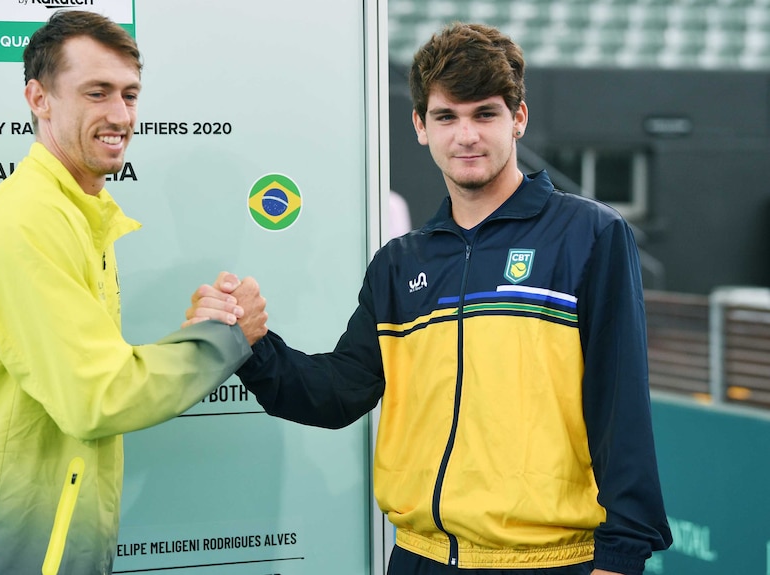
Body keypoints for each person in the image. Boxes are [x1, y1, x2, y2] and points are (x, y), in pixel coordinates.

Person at [197, 22, 672, 575]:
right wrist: (255, 344)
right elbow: (335, 395)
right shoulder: (400, 264)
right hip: (419, 559)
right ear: (421, 126)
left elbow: (622, 411)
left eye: (484, 114)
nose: (465, 136)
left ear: (518, 118)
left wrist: (621, 558)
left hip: (550, 561)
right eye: (447, 117)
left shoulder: (588, 233)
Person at [0, 10, 266, 575]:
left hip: (25, 532)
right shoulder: (28, 220)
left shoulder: (72, 213)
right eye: (96, 92)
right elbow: (97, 395)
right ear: (38, 97)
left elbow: (88, 367)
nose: (120, 115)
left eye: (130, 94)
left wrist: (198, 333)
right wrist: (221, 342)